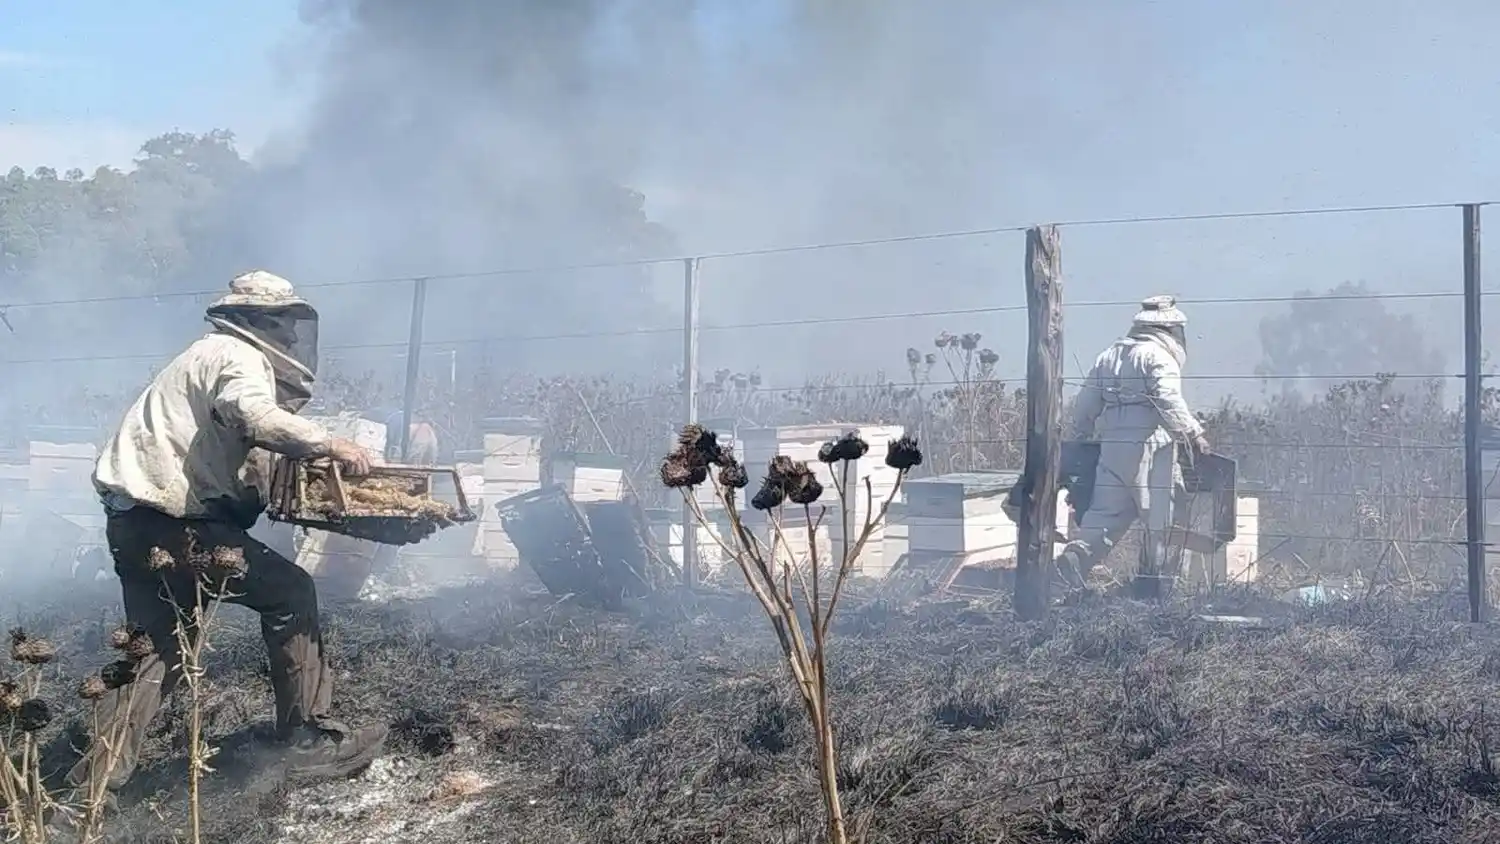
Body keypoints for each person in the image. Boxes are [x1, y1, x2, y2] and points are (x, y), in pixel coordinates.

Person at [69, 270, 388, 798]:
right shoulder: (236, 356)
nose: (289, 339)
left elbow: (217, 466)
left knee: (156, 651)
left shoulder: (199, 358)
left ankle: (88, 796)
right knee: (290, 591)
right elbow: (254, 415)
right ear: (257, 321)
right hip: (176, 526)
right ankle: (305, 738)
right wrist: (328, 442)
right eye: (282, 326)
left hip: (135, 523)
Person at [1055, 295, 1209, 593]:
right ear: (1172, 330)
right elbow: (1168, 399)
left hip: (1111, 446)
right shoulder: (1158, 357)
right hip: (1151, 446)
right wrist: (1193, 433)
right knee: (1165, 520)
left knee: (1104, 516)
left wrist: (1079, 436)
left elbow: (1085, 404)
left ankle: (1072, 563)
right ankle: (1162, 588)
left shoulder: (1109, 355)